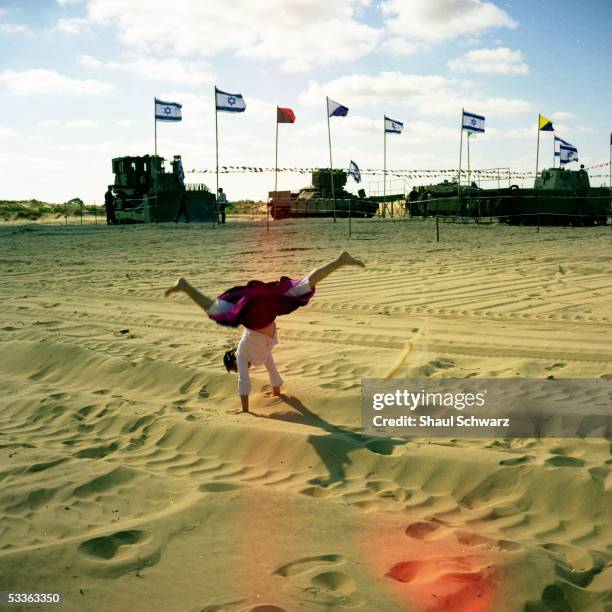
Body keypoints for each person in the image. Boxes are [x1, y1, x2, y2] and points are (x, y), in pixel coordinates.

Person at [164, 251, 365, 413]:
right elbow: (272, 370)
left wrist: (245, 410)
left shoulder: (242, 353)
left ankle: (185, 286)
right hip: (268, 310)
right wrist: (277, 393)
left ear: (233, 360)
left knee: (220, 313)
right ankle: (340, 261)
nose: (241, 369)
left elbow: (244, 381)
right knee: (302, 287)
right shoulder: (260, 355)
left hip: (256, 316)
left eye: (234, 368)